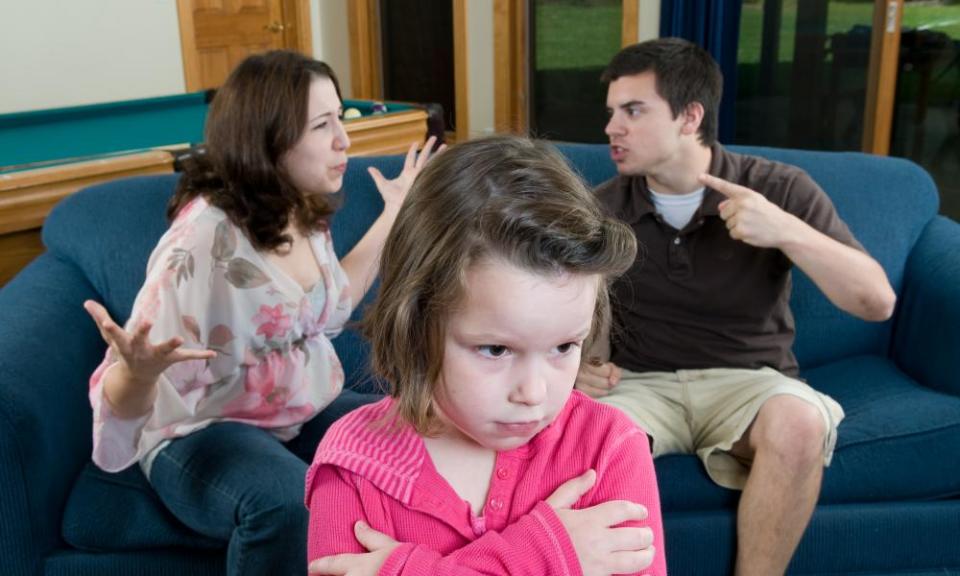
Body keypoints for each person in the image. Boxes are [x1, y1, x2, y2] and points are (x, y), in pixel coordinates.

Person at [83, 50, 440, 575]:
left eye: (340, 118)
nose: (345, 140)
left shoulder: (300, 206)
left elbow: (330, 305)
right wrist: (136, 374)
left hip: (291, 410)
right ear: (270, 139)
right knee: (283, 504)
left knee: (418, 436)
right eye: (323, 125)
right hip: (203, 426)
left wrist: (396, 211)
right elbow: (125, 391)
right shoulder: (202, 241)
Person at [577, 38, 897, 576]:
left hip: (750, 383)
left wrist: (785, 230)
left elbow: (877, 302)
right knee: (577, 435)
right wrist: (573, 367)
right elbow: (553, 303)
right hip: (638, 385)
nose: (612, 128)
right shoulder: (602, 207)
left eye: (633, 110)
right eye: (611, 112)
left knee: (798, 421)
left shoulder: (777, 188)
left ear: (689, 116)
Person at [305, 135, 667, 576]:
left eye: (564, 346)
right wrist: (541, 556)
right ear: (417, 323)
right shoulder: (352, 463)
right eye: (495, 349)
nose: (533, 393)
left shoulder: (610, 446)